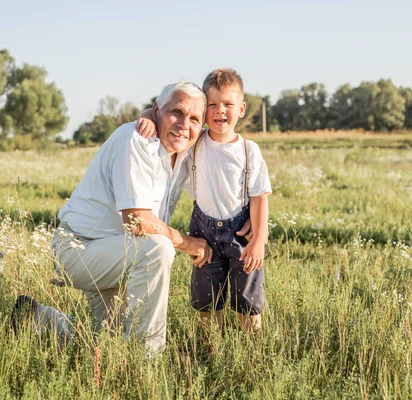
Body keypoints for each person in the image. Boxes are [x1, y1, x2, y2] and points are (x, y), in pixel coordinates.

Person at [13, 81, 212, 353]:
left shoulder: (184, 149)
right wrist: (190, 243)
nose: (183, 123)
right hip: (82, 248)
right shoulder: (137, 141)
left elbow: (222, 137)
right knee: (159, 248)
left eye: (193, 118)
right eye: (176, 112)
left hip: (120, 253)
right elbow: (138, 222)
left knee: (108, 341)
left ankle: (38, 318)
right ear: (157, 110)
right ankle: (146, 362)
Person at [137, 68, 271, 333]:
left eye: (228, 105)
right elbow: (167, 124)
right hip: (204, 232)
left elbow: (260, 196)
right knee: (206, 301)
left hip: (240, 233)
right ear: (204, 110)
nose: (220, 111)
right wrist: (147, 116)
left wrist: (259, 240)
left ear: (241, 109)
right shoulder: (195, 141)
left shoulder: (248, 150)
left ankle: (254, 353)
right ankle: (210, 349)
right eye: (213, 105)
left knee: (248, 301)